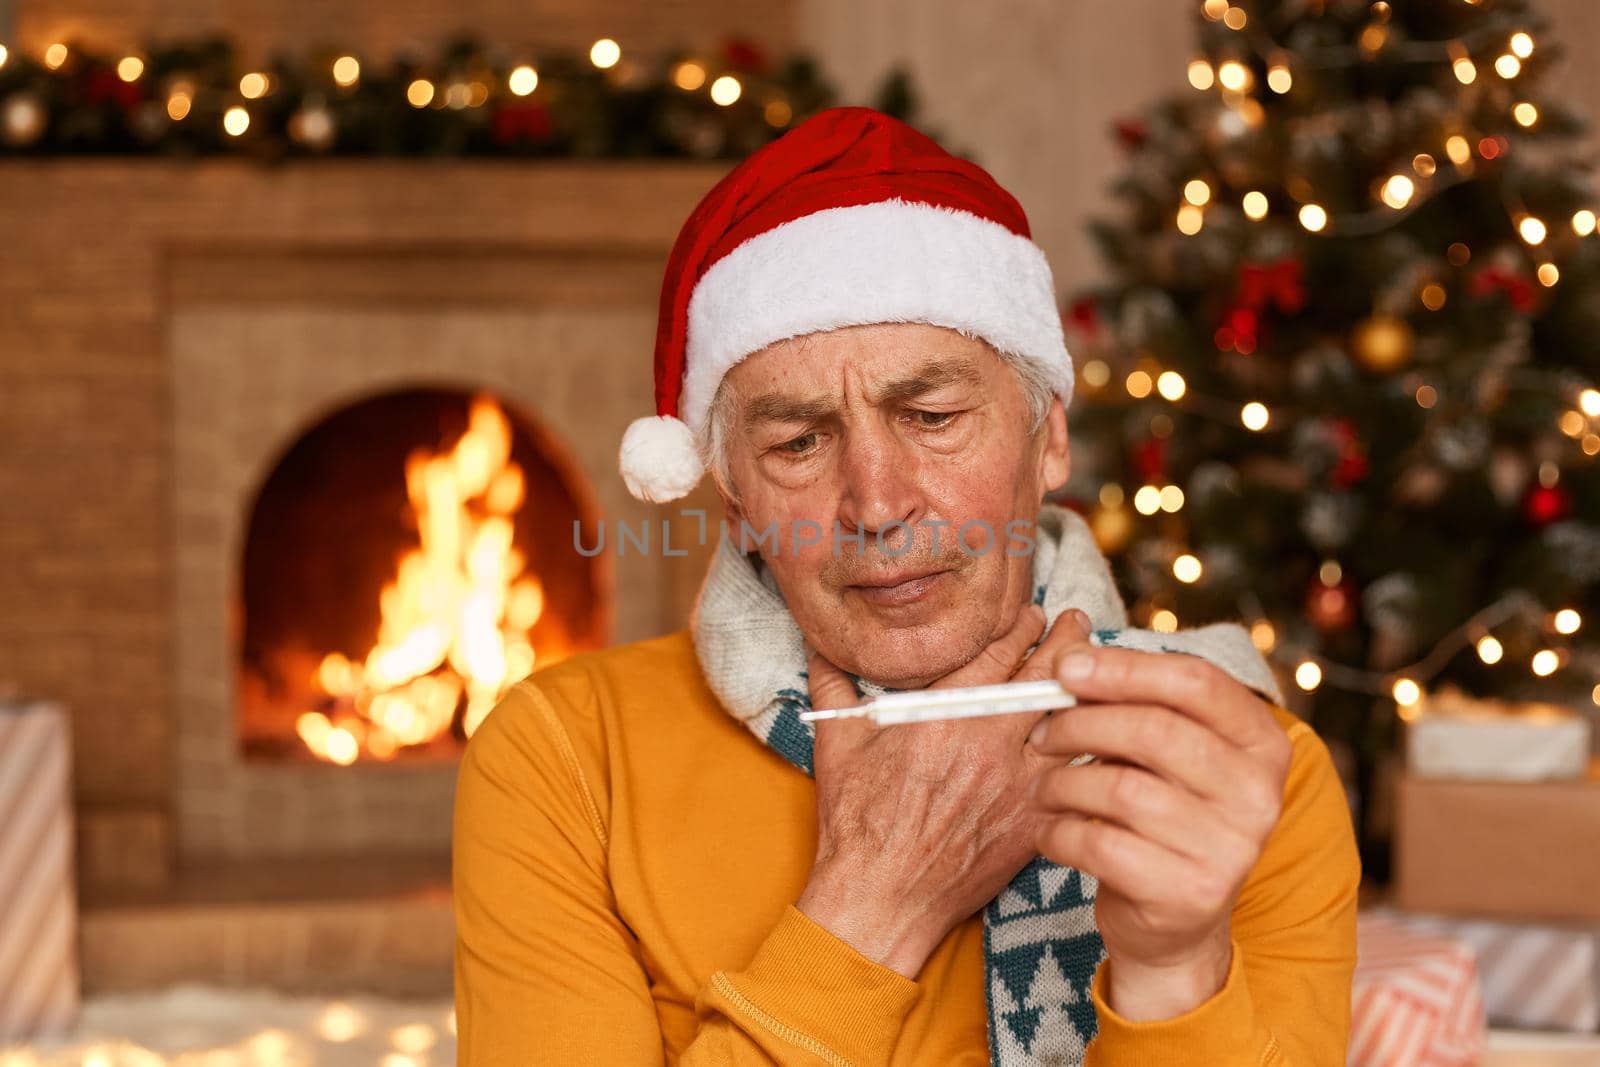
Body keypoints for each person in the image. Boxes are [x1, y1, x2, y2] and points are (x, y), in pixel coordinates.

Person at [452, 106, 1359, 1066]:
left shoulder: (1239, 770)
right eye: (797, 442)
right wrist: (877, 899)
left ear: (1048, 437)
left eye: (931, 414)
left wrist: (1174, 968)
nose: (877, 504)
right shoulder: (565, 760)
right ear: (732, 496)